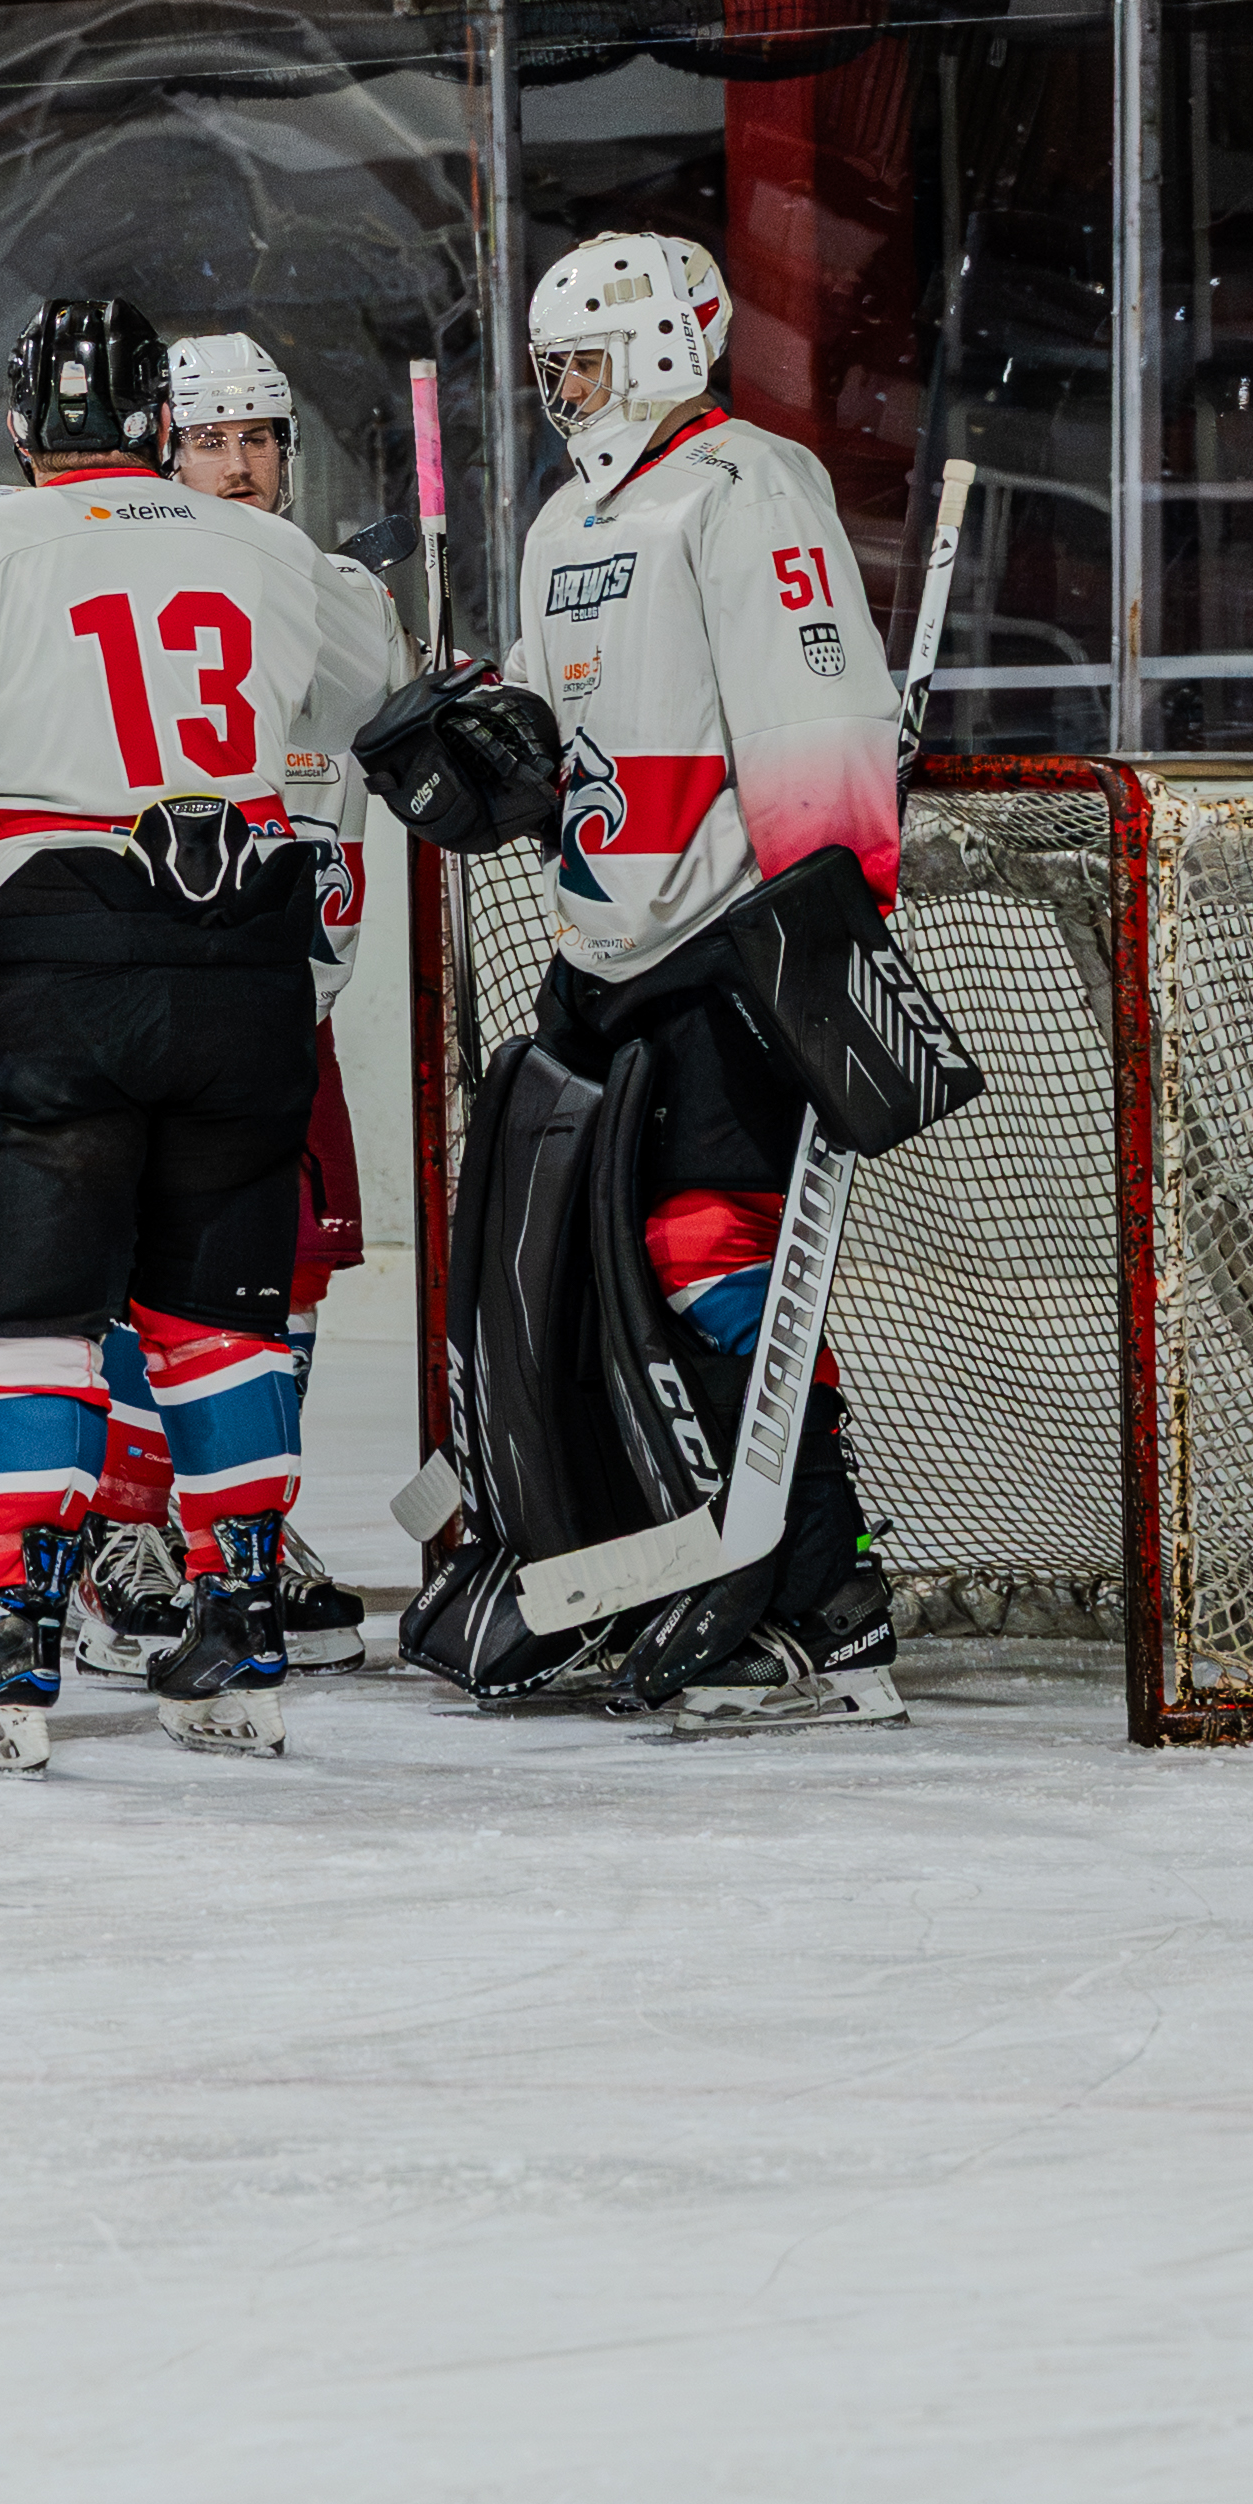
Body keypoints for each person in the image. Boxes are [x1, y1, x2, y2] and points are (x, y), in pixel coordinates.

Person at [362, 231, 910, 1724]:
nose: (563, 390)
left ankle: (823, 1579)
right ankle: (655, 1537)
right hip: (596, 943)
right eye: (548, 366)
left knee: (713, 1253)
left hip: (728, 941)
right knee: (587, 1260)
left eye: (583, 360)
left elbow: (823, 723)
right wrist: (488, 751)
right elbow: (555, 725)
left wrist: (831, 940)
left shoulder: (745, 490)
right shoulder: (562, 519)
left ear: (671, 340)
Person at [0, 296, 347, 1774]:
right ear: (160, 427)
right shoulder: (271, 549)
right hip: (249, 959)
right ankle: (239, 1609)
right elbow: (396, 701)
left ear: (14, 429)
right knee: (218, 1312)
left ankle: (8, 1629)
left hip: (55, 965)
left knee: (29, 1315)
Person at [56, 329, 413, 1678]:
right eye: (210, 438)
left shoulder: (334, 590)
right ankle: (125, 1527)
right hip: (150, 989)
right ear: (162, 445)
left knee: (290, 1277)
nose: (239, 461)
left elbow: (392, 733)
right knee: (143, 1268)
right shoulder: (124, 591)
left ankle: (244, 1524)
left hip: (289, 991)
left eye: (259, 436)